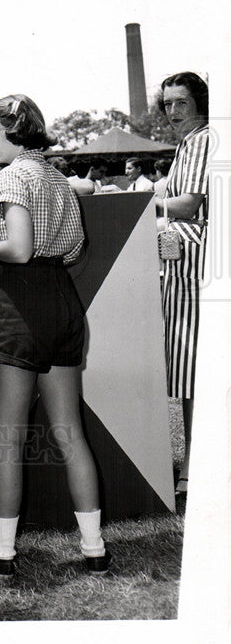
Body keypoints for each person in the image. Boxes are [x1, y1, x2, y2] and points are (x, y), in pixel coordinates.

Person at [0, 94, 110, 580]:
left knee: (8, 439)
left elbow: (19, 251)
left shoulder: (11, 176)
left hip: (22, 306)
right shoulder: (55, 177)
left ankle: (2, 553)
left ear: (17, 132)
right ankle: (94, 548)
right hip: (63, 303)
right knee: (70, 432)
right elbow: (64, 243)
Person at [153, 72, 209, 496]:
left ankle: (193, 469)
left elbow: (187, 205)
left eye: (181, 103)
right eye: (167, 104)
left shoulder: (202, 140)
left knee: (193, 374)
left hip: (194, 267)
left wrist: (141, 199)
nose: (173, 112)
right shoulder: (188, 144)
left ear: (200, 104)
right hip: (184, 265)